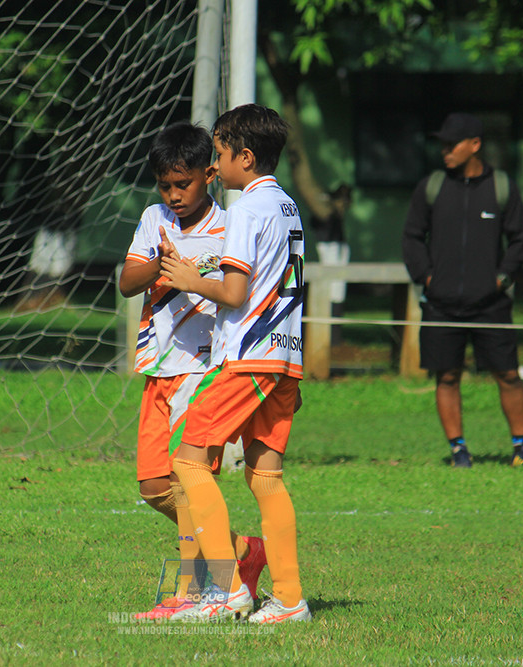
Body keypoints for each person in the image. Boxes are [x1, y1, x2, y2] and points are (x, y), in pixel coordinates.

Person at [160, 104, 310, 624]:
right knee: (266, 477)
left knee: (187, 461)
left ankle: (227, 590)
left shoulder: (246, 207)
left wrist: (186, 278)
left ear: (244, 157)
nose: (215, 165)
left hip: (250, 356)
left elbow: (234, 289)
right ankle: (290, 600)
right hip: (286, 356)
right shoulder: (287, 205)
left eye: (220, 154)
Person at [118, 122, 266, 620]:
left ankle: (196, 590)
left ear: (209, 175)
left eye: (183, 184)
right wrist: (161, 264)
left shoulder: (230, 228)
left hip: (202, 369)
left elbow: (235, 292)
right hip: (156, 367)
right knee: (154, 488)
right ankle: (240, 551)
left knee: (185, 479)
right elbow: (126, 282)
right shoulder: (154, 219)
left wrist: (195, 277)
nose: (174, 195)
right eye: (165, 185)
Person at [402, 112, 523, 468]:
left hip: (490, 305)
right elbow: (412, 237)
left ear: (475, 145)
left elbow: (520, 239)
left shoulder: (502, 187)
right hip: (441, 304)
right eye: (442, 144)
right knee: (446, 375)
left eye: (452, 144)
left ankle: (522, 447)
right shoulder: (431, 187)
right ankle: (458, 449)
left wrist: (501, 279)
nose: (444, 150)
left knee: (508, 374)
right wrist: (427, 278)